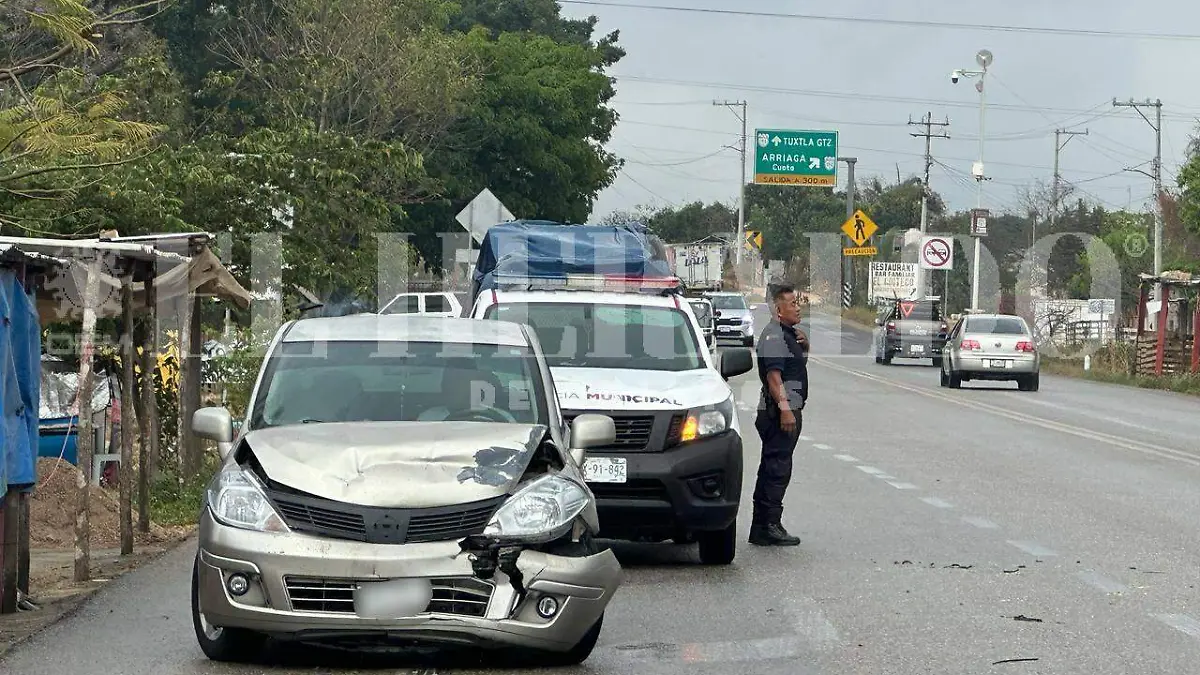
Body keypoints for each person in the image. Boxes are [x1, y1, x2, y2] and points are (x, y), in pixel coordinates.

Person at [750, 283, 810, 547]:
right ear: (778, 308)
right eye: (793, 303)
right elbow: (775, 378)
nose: (798, 307)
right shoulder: (774, 336)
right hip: (778, 412)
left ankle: (763, 525)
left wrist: (804, 347)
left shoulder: (786, 335)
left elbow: (792, 369)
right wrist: (786, 411)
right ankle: (768, 526)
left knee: (773, 467)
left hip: (783, 409)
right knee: (776, 469)